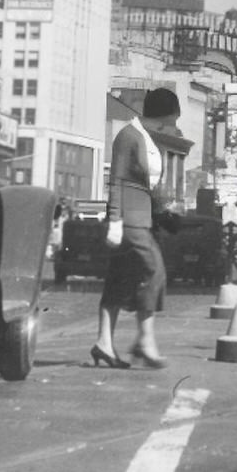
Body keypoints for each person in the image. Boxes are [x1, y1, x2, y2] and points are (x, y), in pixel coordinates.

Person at [93, 87, 183, 370]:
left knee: (119, 280)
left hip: (141, 217)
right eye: (172, 119)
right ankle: (145, 341)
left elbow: (149, 185)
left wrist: (162, 213)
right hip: (130, 220)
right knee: (154, 270)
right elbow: (117, 180)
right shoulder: (129, 136)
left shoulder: (148, 138)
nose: (173, 126)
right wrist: (115, 220)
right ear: (162, 115)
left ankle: (104, 344)